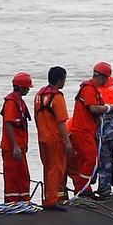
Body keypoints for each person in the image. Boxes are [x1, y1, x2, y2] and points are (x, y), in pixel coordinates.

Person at [70, 62, 113, 197]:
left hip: (87, 130)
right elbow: (93, 108)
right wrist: (108, 108)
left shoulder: (92, 88)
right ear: (102, 77)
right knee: (90, 159)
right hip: (83, 130)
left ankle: (84, 188)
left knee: (86, 160)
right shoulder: (89, 89)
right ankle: (82, 189)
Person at [34, 66, 72, 210]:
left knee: (48, 168)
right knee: (56, 169)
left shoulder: (39, 95)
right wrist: (67, 142)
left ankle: (48, 197)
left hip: (42, 138)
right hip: (54, 139)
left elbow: (37, 119)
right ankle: (51, 200)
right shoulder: (56, 97)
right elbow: (61, 122)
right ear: (60, 80)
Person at [0, 72, 33, 204]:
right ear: (20, 87)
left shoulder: (19, 102)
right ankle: (12, 203)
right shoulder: (11, 102)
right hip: (12, 148)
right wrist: (15, 146)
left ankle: (24, 201)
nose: (28, 90)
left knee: (24, 176)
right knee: (12, 176)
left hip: (20, 147)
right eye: (27, 87)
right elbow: (8, 123)